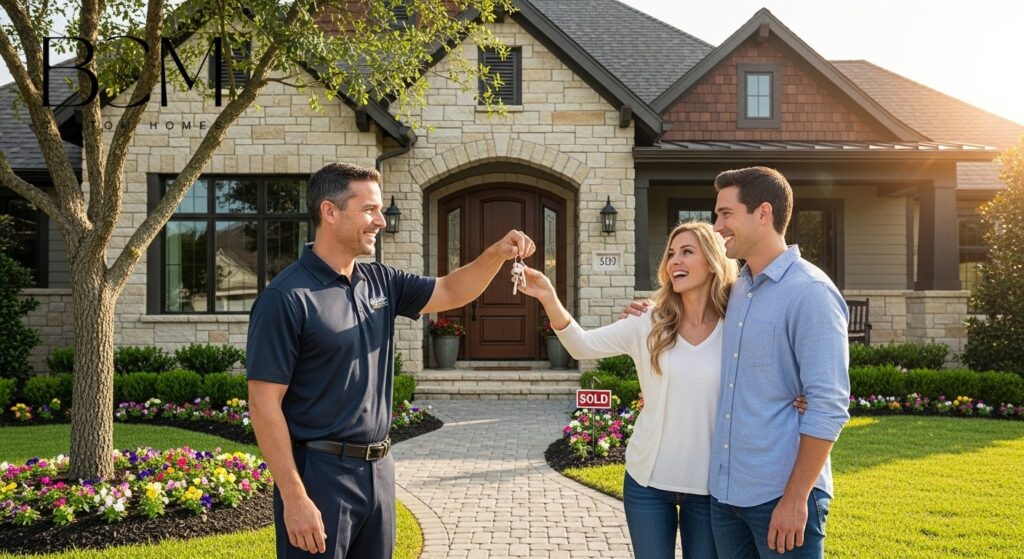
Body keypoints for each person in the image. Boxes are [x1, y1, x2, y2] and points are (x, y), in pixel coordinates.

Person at [246, 162, 536, 559]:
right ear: (330, 212)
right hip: (321, 475)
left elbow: (451, 290)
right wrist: (294, 497)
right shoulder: (286, 298)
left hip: (378, 472)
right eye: (369, 210)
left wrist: (496, 254)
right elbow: (264, 406)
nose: (380, 221)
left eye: (380, 210)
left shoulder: (381, 281)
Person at [623, 166, 851, 558]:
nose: (717, 225)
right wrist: (656, 309)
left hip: (780, 496)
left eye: (726, 214)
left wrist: (797, 499)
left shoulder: (810, 292)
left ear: (763, 214)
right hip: (727, 499)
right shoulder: (739, 288)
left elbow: (828, 405)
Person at [520, 220, 745, 558]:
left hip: (709, 487)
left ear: (713, 261)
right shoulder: (648, 323)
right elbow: (581, 346)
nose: (675, 262)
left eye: (687, 252)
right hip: (647, 483)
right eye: (671, 254)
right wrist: (548, 295)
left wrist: (798, 396)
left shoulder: (738, 325)